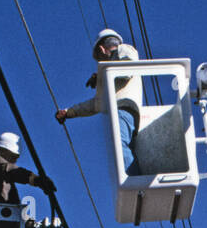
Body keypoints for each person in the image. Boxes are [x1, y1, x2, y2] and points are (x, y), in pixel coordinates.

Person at [55, 28, 143, 176]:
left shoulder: (124, 49)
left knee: (120, 146)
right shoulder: (108, 77)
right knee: (124, 148)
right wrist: (69, 112)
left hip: (124, 107)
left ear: (102, 49)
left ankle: (133, 181)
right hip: (121, 109)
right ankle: (136, 180)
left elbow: (126, 70)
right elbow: (96, 104)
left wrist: (102, 74)